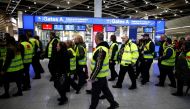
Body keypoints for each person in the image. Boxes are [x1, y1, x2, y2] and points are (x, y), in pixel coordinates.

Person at [89, 32, 119, 109]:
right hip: (102, 75)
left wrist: (92, 76)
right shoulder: (103, 48)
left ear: (97, 39)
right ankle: (113, 103)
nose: (94, 39)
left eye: (95, 37)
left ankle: (92, 107)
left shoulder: (101, 50)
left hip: (98, 76)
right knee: (105, 91)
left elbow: (98, 65)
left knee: (95, 94)